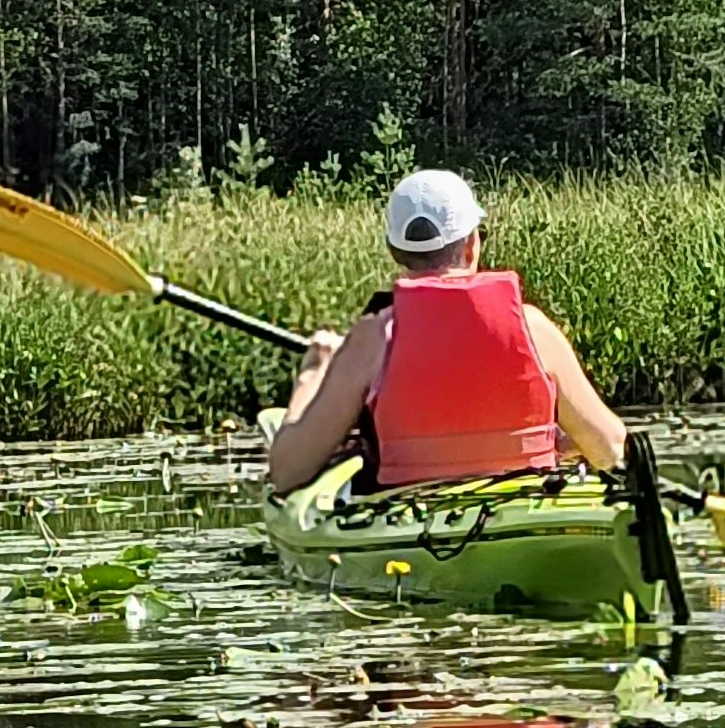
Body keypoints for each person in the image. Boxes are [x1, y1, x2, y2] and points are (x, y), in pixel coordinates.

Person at [263, 168, 628, 498]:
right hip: (525, 504)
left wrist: (313, 374)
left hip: (410, 517)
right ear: (471, 244)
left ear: (394, 252)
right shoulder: (532, 328)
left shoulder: (374, 339)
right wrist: (559, 441)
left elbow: (287, 473)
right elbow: (610, 449)